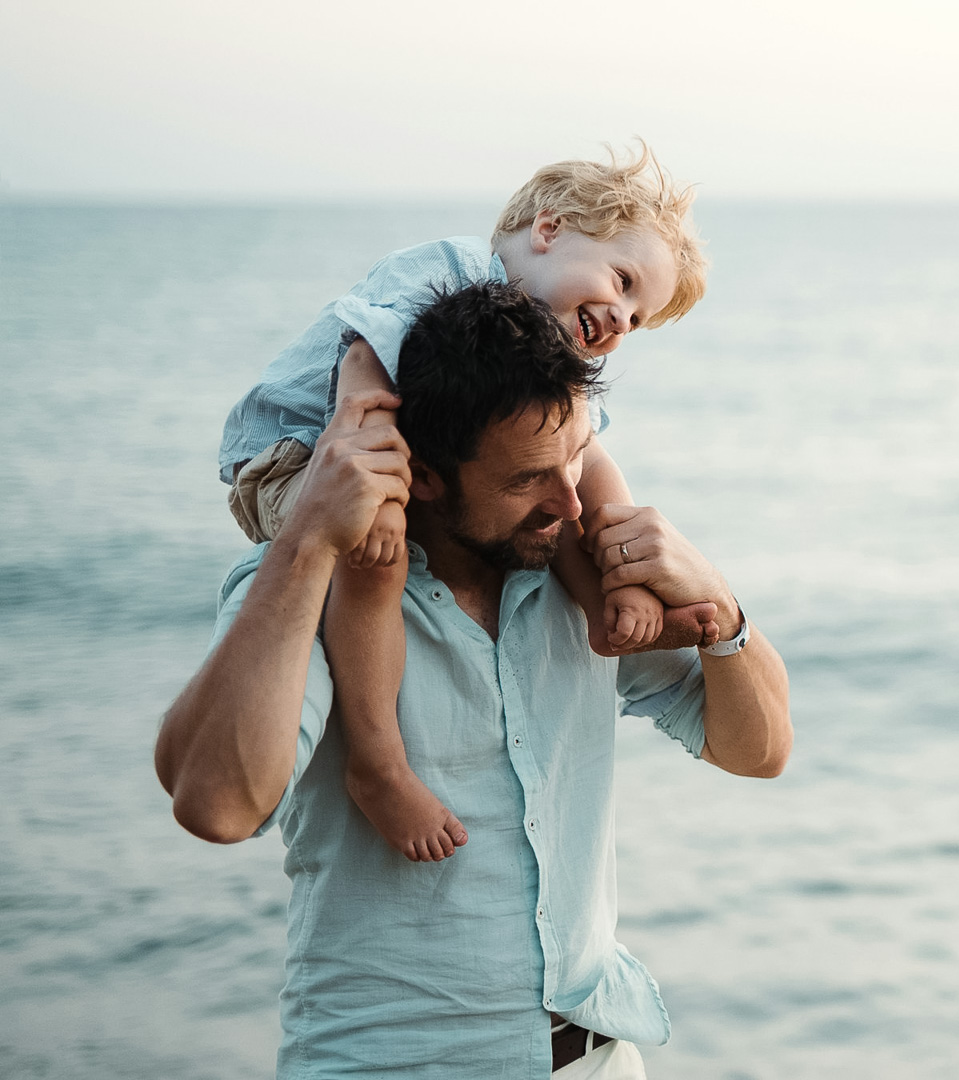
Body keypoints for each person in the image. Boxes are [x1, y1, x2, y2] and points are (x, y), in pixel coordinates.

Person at [156, 282, 792, 1078]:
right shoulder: (305, 587)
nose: (569, 503)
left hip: (597, 1059)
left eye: (576, 459)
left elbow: (758, 751)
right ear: (423, 475)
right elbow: (215, 805)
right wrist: (307, 541)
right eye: (528, 480)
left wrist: (723, 611)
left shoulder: (575, 572)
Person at [220, 145, 706, 862]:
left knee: (584, 453)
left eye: (637, 317)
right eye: (622, 281)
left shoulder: (540, 350)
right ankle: (378, 763)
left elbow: (582, 453)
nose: (620, 319)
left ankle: (611, 602)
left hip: (397, 445)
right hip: (296, 451)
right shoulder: (449, 267)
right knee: (376, 548)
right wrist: (364, 478)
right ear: (549, 229)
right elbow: (363, 362)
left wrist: (622, 559)